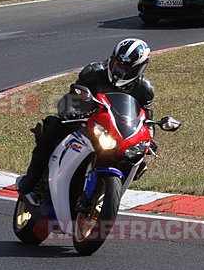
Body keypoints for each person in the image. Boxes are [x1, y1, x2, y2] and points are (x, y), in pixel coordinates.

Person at [16, 38, 154, 202]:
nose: (120, 71)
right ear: (112, 59)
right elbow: (72, 95)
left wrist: (150, 139)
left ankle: (107, 195)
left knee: (139, 160)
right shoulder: (94, 72)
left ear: (138, 69)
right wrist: (72, 110)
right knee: (51, 125)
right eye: (118, 64)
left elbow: (146, 119)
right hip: (83, 123)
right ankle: (32, 181)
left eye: (126, 68)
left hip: (116, 133)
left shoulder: (144, 88)